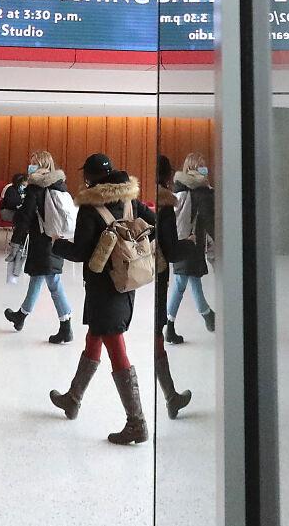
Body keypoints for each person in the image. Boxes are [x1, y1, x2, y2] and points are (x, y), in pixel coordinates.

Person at [48, 153, 155, 445]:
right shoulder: (131, 200)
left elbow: (81, 252)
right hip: (124, 281)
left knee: (115, 345)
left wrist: (57, 245)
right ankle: (73, 398)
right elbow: (153, 223)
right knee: (95, 336)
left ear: (90, 178)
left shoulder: (90, 208)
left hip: (102, 288)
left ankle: (137, 422)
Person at [2, 151, 74, 341]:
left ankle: (66, 326)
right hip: (56, 239)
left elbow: (25, 218)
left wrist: (15, 242)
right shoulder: (60, 185)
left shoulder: (36, 188)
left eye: (33, 163)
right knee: (38, 277)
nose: (30, 167)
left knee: (53, 282)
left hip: (42, 243)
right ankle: (21, 315)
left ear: (41, 165)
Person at [153, 154, 192, 418]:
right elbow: (171, 250)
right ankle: (169, 397)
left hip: (136, 275)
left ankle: (171, 396)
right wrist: (190, 243)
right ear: (168, 177)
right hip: (157, 276)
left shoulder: (137, 199)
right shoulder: (165, 204)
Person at [165, 152, 216, 342]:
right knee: (180, 284)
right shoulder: (201, 193)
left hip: (181, 241)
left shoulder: (179, 189)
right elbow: (211, 222)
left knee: (193, 279)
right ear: (194, 169)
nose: (205, 170)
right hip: (192, 244)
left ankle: (208, 315)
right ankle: (169, 327)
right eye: (201, 167)